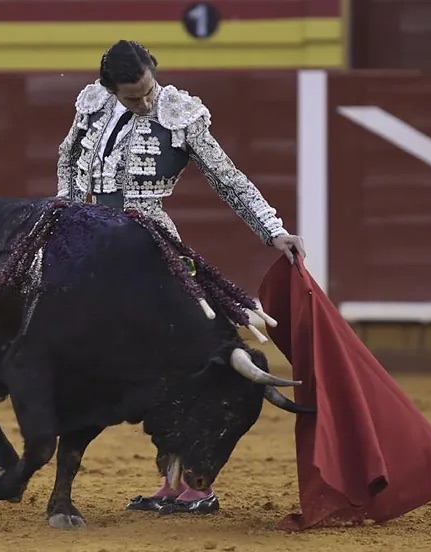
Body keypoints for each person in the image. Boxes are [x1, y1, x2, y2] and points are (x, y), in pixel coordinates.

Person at [55, 39, 306, 514]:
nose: (146, 101)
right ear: (109, 88)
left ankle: (189, 480)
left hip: (150, 247)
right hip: (86, 240)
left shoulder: (180, 113)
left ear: (155, 71)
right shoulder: (91, 103)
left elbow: (227, 178)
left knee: (177, 366)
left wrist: (274, 230)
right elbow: (68, 157)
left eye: (149, 88)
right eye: (133, 97)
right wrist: (66, 206)